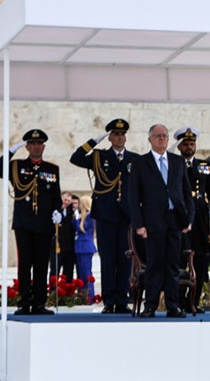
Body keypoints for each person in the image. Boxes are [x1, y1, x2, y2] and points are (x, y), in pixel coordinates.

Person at [69, 118, 137, 314]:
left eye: (122, 134)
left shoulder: (135, 159)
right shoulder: (99, 157)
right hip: (106, 215)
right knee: (108, 259)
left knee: (125, 259)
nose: (120, 137)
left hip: (126, 216)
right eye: (116, 134)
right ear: (110, 137)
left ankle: (122, 300)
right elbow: (76, 158)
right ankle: (109, 300)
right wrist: (94, 141)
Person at [127, 124, 195, 318]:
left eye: (164, 136)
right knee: (155, 263)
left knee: (173, 264)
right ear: (150, 139)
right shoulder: (140, 163)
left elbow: (186, 193)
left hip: (175, 220)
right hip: (152, 221)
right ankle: (151, 305)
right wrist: (139, 224)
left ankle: (173, 305)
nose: (162, 139)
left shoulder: (177, 161)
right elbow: (134, 197)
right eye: (158, 136)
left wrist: (189, 219)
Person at [0, 129, 62, 315]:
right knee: (25, 264)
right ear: (27, 146)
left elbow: (56, 196)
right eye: (32, 144)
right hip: (24, 223)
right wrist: (10, 152)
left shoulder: (52, 169)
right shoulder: (16, 166)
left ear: (43, 147)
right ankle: (24, 303)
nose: (36, 147)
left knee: (41, 265)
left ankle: (39, 303)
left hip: (44, 224)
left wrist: (58, 211)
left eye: (39, 144)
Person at [174, 126, 210, 313]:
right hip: (180, 216)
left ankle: (194, 300)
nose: (189, 147)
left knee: (200, 262)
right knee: (179, 260)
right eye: (185, 144)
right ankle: (177, 301)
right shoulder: (174, 163)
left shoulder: (204, 165)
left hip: (200, 219)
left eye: (192, 144)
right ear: (179, 147)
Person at [73, 195, 96, 300]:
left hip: (85, 247)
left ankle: (89, 296)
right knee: (81, 273)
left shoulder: (90, 216)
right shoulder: (83, 216)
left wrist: (77, 218)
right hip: (80, 247)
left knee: (86, 273)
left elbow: (81, 228)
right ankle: (82, 295)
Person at [50, 192, 77, 282]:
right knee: (55, 271)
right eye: (65, 200)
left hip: (69, 247)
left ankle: (67, 290)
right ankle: (53, 290)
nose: (66, 202)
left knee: (68, 272)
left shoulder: (71, 212)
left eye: (68, 201)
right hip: (57, 246)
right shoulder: (54, 210)